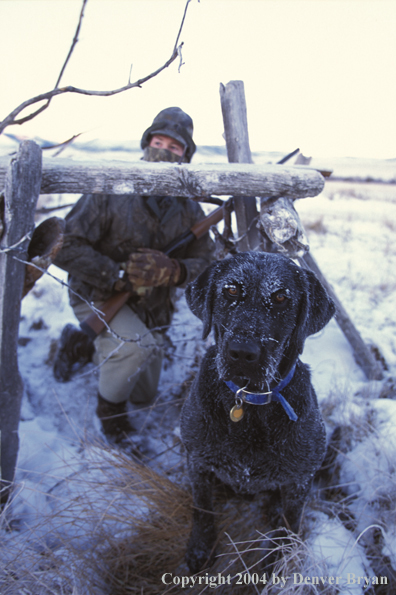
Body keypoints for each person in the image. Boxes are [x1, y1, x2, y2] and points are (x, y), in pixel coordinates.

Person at [53, 107, 215, 442]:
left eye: (174, 147)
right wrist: (117, 275)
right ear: (145, 144)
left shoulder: (188, 207)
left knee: (144, 393)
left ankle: (82, 345)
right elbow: (64, 245)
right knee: (134, 348)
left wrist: (175, 270)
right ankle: (110, 418)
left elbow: (207, 264)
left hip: (151, 307)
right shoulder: (112, 189)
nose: (163, 151)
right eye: (158, 141)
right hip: (97, 293)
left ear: (185, 156)